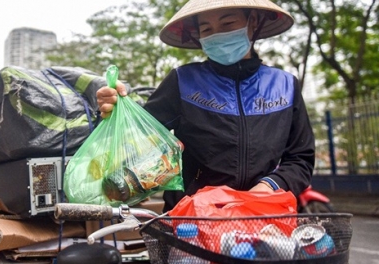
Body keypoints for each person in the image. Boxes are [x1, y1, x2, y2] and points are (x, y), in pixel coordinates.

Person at [97, 0, 315, 212]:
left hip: (262, 217)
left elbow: (301, 158)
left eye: (228, 24)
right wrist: (115, 111)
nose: (217, 35)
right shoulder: (182, 82)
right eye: (206, 29)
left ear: (254, 21)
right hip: (191, 221)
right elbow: (132, 138)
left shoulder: (285, 86)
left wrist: (269, 186)